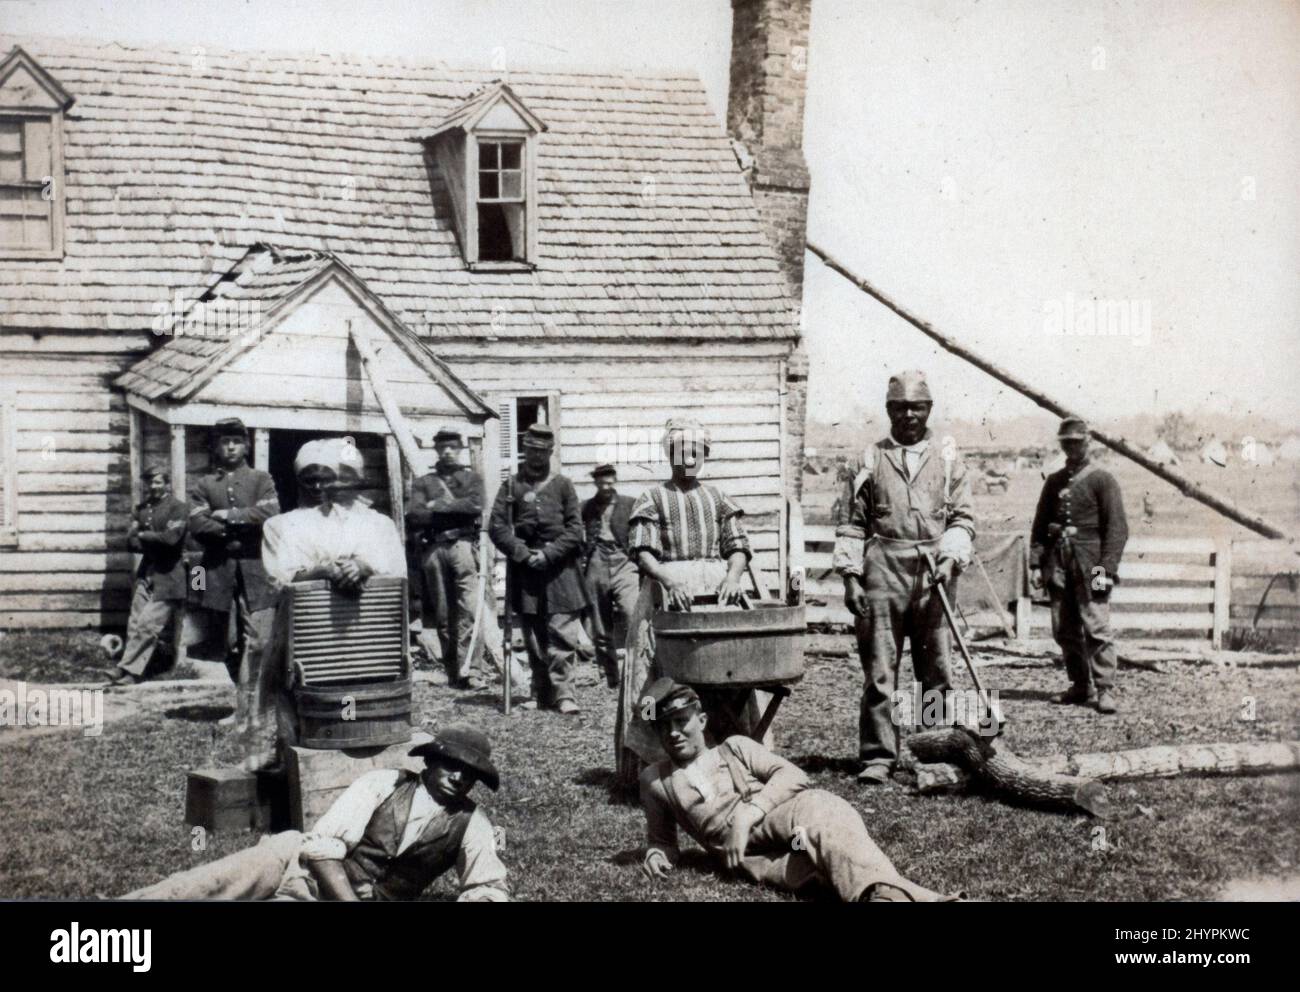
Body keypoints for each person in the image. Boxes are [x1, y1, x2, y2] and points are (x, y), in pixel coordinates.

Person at [636, 679, 959, 902]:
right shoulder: (656, 780)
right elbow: (662, 842)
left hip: (772, 822)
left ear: (702, 720)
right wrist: (656, 854)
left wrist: (749, 813)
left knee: (821, 810)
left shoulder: (733, 747)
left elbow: (792, 775)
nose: (674, 733)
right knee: (823, 869)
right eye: (663, 726)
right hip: (751, 856)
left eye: (681, 721)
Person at [122, 725, 509, 902]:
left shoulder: (471, 823)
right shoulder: (384, 783)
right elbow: (321, 851)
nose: (459, 778)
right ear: (430, 762)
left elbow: (487, 886)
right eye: (452, 766)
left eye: (471, 774)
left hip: (315, 897)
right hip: (291, 860)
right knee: (200, 888)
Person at [833, 371, 976, 785]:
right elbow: (850, 524)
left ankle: (934, 748)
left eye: (917, 406)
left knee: (935, 668)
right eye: (899, 407)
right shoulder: (869, 459)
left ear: (929, 409)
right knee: (880, 669)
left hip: (935, 570)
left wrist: (950, 560)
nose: (908, 415)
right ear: (888, 410)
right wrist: (850, 578)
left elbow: (963, 517)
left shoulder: (949, 459)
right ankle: (879, 756)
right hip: (883, 567)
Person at [615, 418, 759, 789]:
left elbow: (738, 547)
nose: (689, 458)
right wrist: (666, 578)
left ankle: (730, 760)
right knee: (657, 675)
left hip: (715, 595)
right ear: (669, 455)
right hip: (668, 594)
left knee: (722, 672)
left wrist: (732, 576)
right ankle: (654, 767)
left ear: (705, 455)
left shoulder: (718, 498)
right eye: (681, 451)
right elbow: (643, 551)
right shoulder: (653, 498)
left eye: (696, 451)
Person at [250, 437, 408, 769]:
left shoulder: (377, 524)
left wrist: (363, 567)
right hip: (307, 637)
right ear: (298, 482)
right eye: (311, 479)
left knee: (367, 699)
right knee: (294, 699)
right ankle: (292, 765)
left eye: (329, 478)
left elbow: (397, 573)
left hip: (365, 636)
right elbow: (279, 577)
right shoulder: (280, 525)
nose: (321, 486)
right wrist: (322, 571)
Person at [1030, 417, 1129, 714]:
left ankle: (1105, 689)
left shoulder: (1103, 480)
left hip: (1093, 567)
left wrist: (1106, 569)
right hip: (1058, 564)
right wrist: (1036, 562)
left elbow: (1117, 529)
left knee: (1097, 626)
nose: (1072, 448)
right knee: (1064, 628)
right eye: (1067, 443)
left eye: (1077, 442)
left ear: (1088, 443)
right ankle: (1079, 685)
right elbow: (1040, 525)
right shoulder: (1054, 482)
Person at [487, 424, 587, 715]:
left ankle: (565, 694)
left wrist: (549, 554)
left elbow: (575, 529)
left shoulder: (564, 485)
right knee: (533, 634)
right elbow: (497, 526)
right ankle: (541, 692)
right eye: (531, 450)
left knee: (562, 633)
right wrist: (521, 553)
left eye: (542, 451)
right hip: (526, 569)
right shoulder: (510, 486)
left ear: (550, 453)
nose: (536, 457)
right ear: (525, 450)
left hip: (560, 570)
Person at [188, 419, 281, 729]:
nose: (230, 447)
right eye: (225, 441)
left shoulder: (260, 479)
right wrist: (236, 531)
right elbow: (197, 524)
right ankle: (245, 705)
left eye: (236, 441)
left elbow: (270, 513)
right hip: (218, 572)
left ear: (246, 446)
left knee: (258, 641)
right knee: (227, 644)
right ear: (216, 446)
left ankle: (255, 707)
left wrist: (229, 515)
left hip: (256, 571)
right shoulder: (204, 485)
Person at [407, 428, 488, 691]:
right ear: (437, 451)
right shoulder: (423, 482)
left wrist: (436, 507)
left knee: (469, 608)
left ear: (461, 449)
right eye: (443, 448)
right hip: (434, 548)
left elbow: (475, 506)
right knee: (443, 612)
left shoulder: (472, 478)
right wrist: (450, 508)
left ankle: (472, 670)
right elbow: (415, 515)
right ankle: (453, 670)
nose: (448, 452)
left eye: (453, 447)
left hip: (463, 545)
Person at [106, 465, 188, 686]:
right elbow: (130, 542)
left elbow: (171, 539)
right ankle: (127, 670)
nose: (154, 486)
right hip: (147, 572)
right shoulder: (141, 509)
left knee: (148, 625)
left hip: (170, 576)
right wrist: (151, 538)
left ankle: (130, 671)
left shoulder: (178, 508)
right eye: (150, 482)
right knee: (134, 623)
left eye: (159, 482)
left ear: (167, 484)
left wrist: (143, 534)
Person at [581, 464, 639, 689]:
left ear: (615, 480)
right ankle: (610, 675)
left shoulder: (629, 504)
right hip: (597, 559)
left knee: (632, 613)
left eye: (610, 482)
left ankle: (636, 672)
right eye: (602, 483)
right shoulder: (587, 507)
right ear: (595, 482)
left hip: (624, 560)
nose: (606, 486)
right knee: (599, 622)